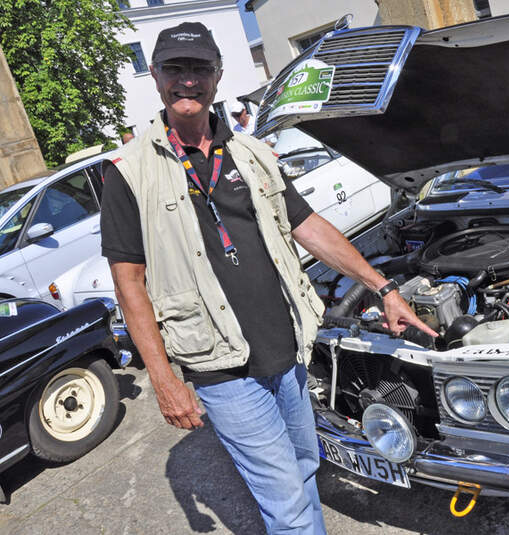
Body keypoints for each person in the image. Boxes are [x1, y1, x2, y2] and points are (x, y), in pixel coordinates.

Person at [100, 22, 436, 535]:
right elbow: (129, 282)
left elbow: (309, 226)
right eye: (175, 69)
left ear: (218, 76)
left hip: (288, 350)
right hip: (221, 368)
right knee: (287, 502)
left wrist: (383, 287)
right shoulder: (129, 171)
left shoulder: (251, 153)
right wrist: (164, 379)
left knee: (304, 471)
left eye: (199, 69)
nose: (187, 82)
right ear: (155, 75)